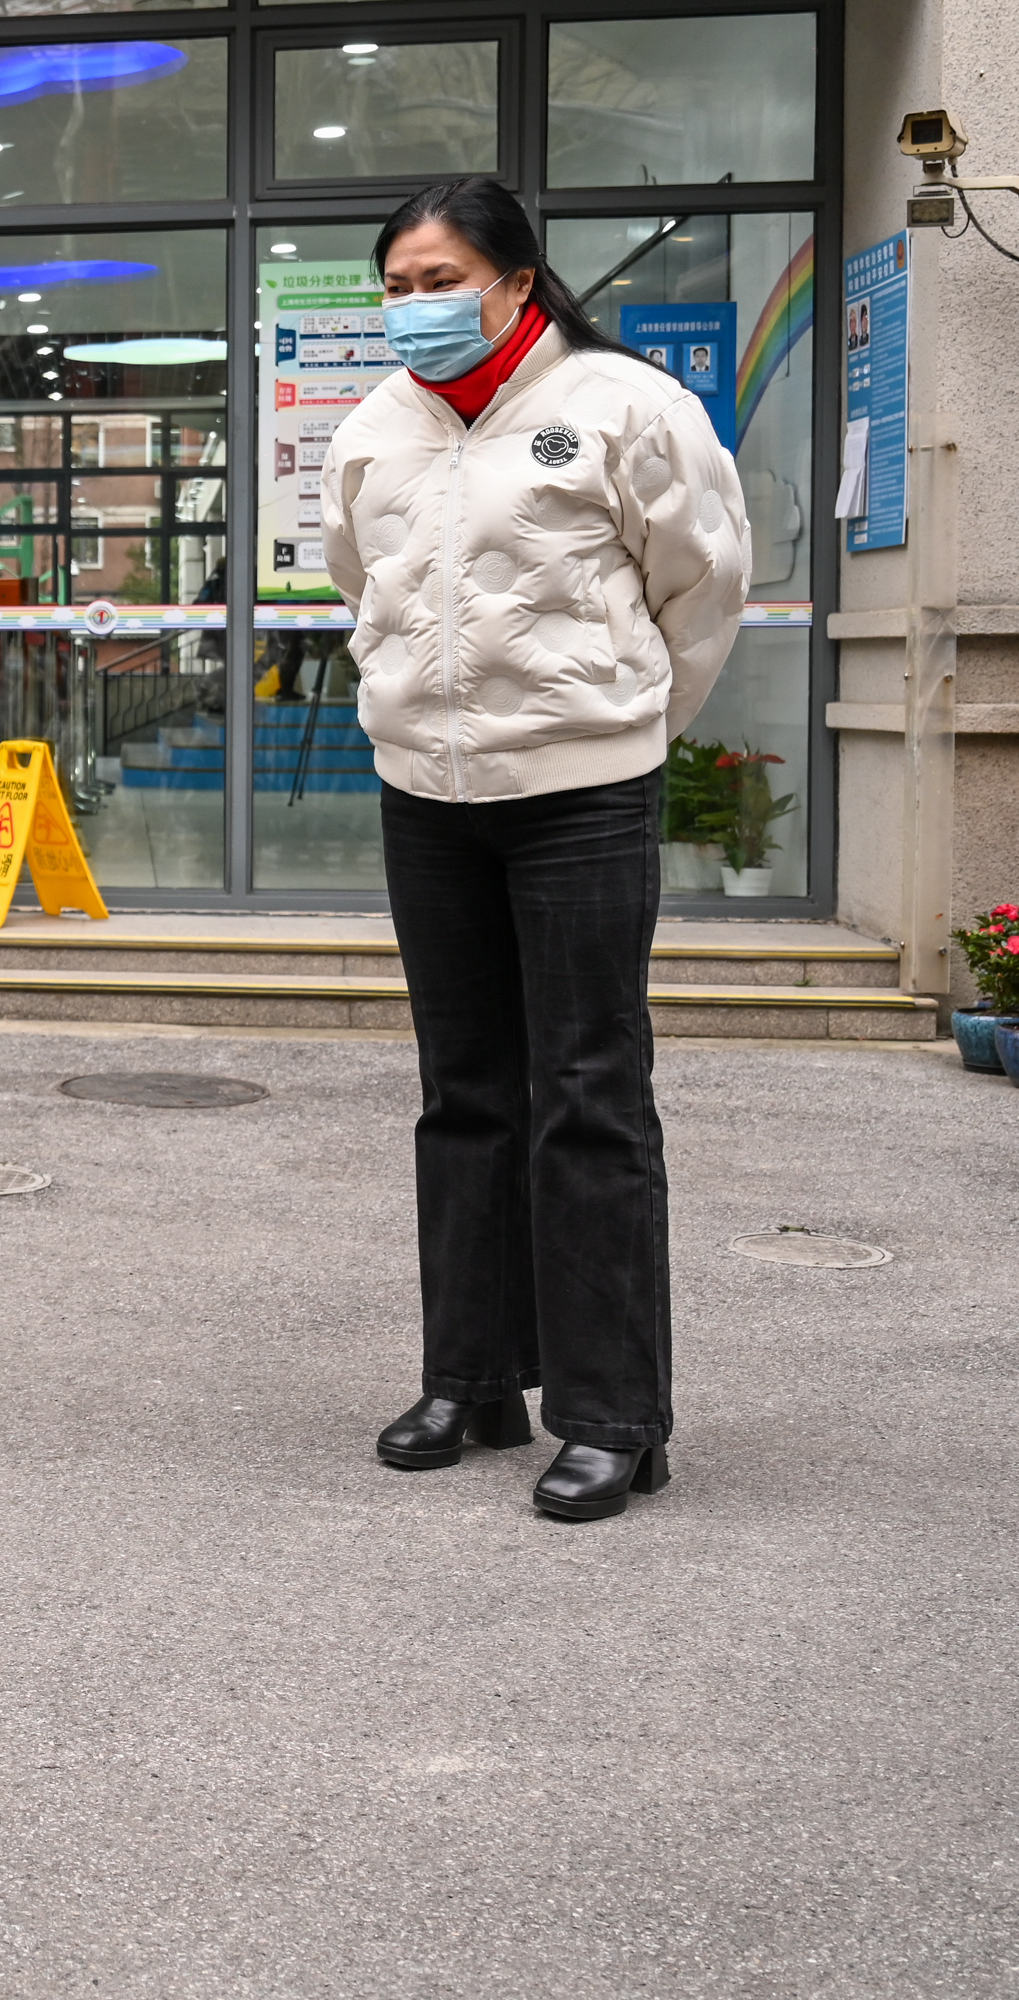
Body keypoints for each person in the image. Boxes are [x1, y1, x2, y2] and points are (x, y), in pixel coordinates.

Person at [324, 176, 749, 1523]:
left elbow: (703, 584)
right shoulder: (374, 432)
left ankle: (617, 1416)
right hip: (426, 794)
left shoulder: (622, 406)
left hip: (580, 796)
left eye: (438, 279)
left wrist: (618, 728)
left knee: (588, 1093)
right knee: (464, 1093)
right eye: (395, 285)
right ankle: (473, 1380)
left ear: (513, 283)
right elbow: (361, 584)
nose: (416, 306)